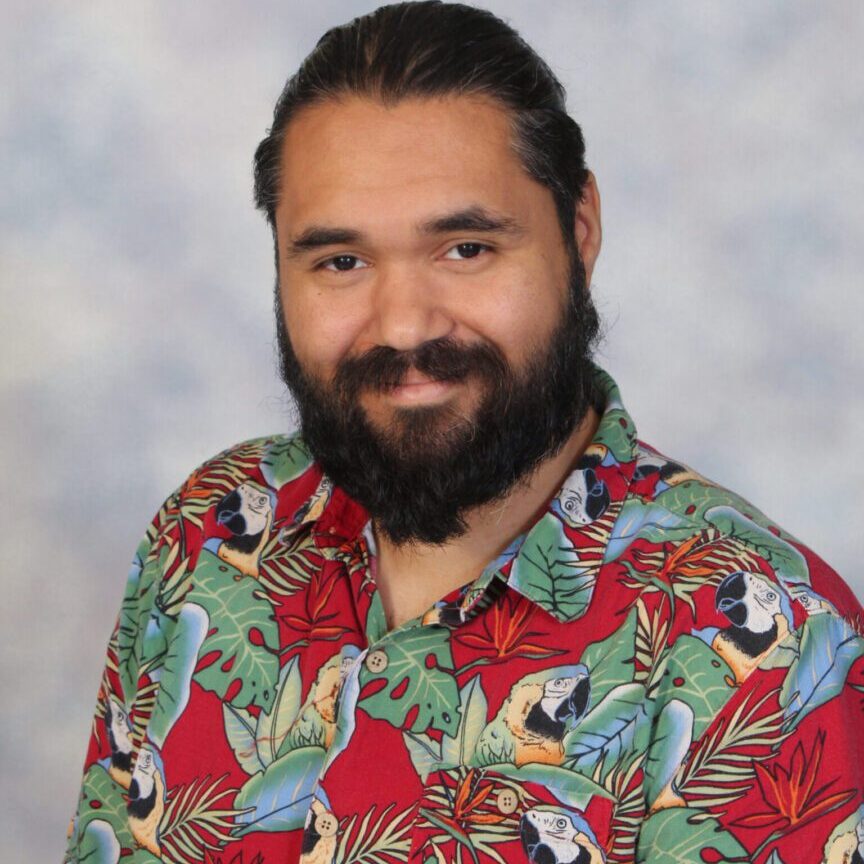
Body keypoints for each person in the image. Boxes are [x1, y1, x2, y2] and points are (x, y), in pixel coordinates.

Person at [65, 3, 864, 863]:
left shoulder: (767, 641)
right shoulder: (208, 532)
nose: (403, 327)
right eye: (342, 262)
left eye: (467, 249)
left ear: (579, 230)